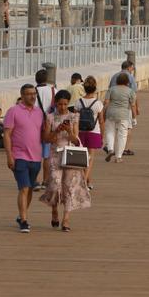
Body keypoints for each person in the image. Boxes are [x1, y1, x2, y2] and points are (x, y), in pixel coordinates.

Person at [40, 90, 91, 232]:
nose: (62, 107)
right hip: (55, 154)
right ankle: (54, 209)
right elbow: (46, 139)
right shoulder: (50, 117)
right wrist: (56, 131)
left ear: (68, 103)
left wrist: (69, 130)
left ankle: (66, 218)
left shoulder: (74, 116)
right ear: (55, 103)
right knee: (55, 184)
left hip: (70, 155)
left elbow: (76, 140)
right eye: (60, 104)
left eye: (65, 104)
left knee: (69, 186)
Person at [3, 84, 44, 233]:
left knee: (30, 188)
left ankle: (22, 215)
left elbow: (43, 134)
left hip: (36, 157)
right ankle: (24, 221)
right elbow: (7, 134)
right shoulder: (13, 111)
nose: (32, 97)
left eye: (34, 94)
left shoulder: (40, 112)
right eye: (28, 94)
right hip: (19, 156)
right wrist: (9, 155)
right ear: (22, 95)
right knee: (24, 187)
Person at [75, 76, 104, 189]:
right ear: (95, 88)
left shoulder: (78, 102)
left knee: (83, 157)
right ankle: (84, 182)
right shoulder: (98, 103)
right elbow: (101, 121)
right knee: (90, 158)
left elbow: (75, 119)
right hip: (94, 131)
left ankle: (88, 181)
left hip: (81, 132)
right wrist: (102, 135)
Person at [106, 60, 138, 157]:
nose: (132, 70)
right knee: (123, 132)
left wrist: (103, 112)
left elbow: (107, 99)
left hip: (111, 109)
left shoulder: (114, 76)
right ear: (129, 67)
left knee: (110, 131)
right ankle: (121, 153)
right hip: (125, 109)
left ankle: (110, 148)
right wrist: (135, 116)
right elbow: (134, 96)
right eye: (132, 68)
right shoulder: (131, 78)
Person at [35, 69, 56, 190]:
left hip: (34, 125)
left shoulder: (32, 91)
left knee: (34, 154)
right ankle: (45, 180)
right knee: (47, 156)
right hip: (49, 125)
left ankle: (34, 180)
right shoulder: (54, 91)